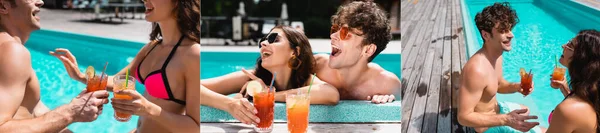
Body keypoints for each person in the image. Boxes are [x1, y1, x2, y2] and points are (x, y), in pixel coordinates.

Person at [50, 0, 200, 132]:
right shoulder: (151, 47)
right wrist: (82, 76)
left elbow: (195, 127)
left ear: (177, 2)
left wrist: (148, 109)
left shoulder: (191, 54)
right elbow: (118, 80)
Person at [0, 0, 108, 132]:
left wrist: (75, 110)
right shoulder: (11, 51)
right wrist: (71, 112)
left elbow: (35, 109)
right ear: (3, 6)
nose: (40, 2)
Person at [202, 26, 340, 125]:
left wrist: (269, 95)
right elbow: (191, 88)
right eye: (263, 40)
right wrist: (229, 104)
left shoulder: (305, 79)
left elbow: (331, 94)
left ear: (295, 52)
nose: (263, 43)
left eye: (274, 39)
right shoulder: (250, 77)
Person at [457, 2, 545, 132]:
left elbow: (497, 85)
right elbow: (463, 117)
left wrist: (517, 87)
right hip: (487, 127)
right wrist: (506, 120)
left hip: (496, 110)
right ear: (485, 35)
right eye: (503, 31)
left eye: (509, 29)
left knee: (526, 110)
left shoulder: (497, 55)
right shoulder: (476, 70)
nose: (511, 35)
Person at [313, 1, 400, 104]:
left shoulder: (388, 85)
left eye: (345, 33)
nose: (333, 36)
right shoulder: (317, 66)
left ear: (368, 50)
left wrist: (388, 102)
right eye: (335, 30)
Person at [546, 30, 600, 132]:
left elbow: (574, 113)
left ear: (582, 57)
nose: (563, 46)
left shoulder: (568, 110)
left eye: (570, 45)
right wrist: (565, 89)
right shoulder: (593, 92)